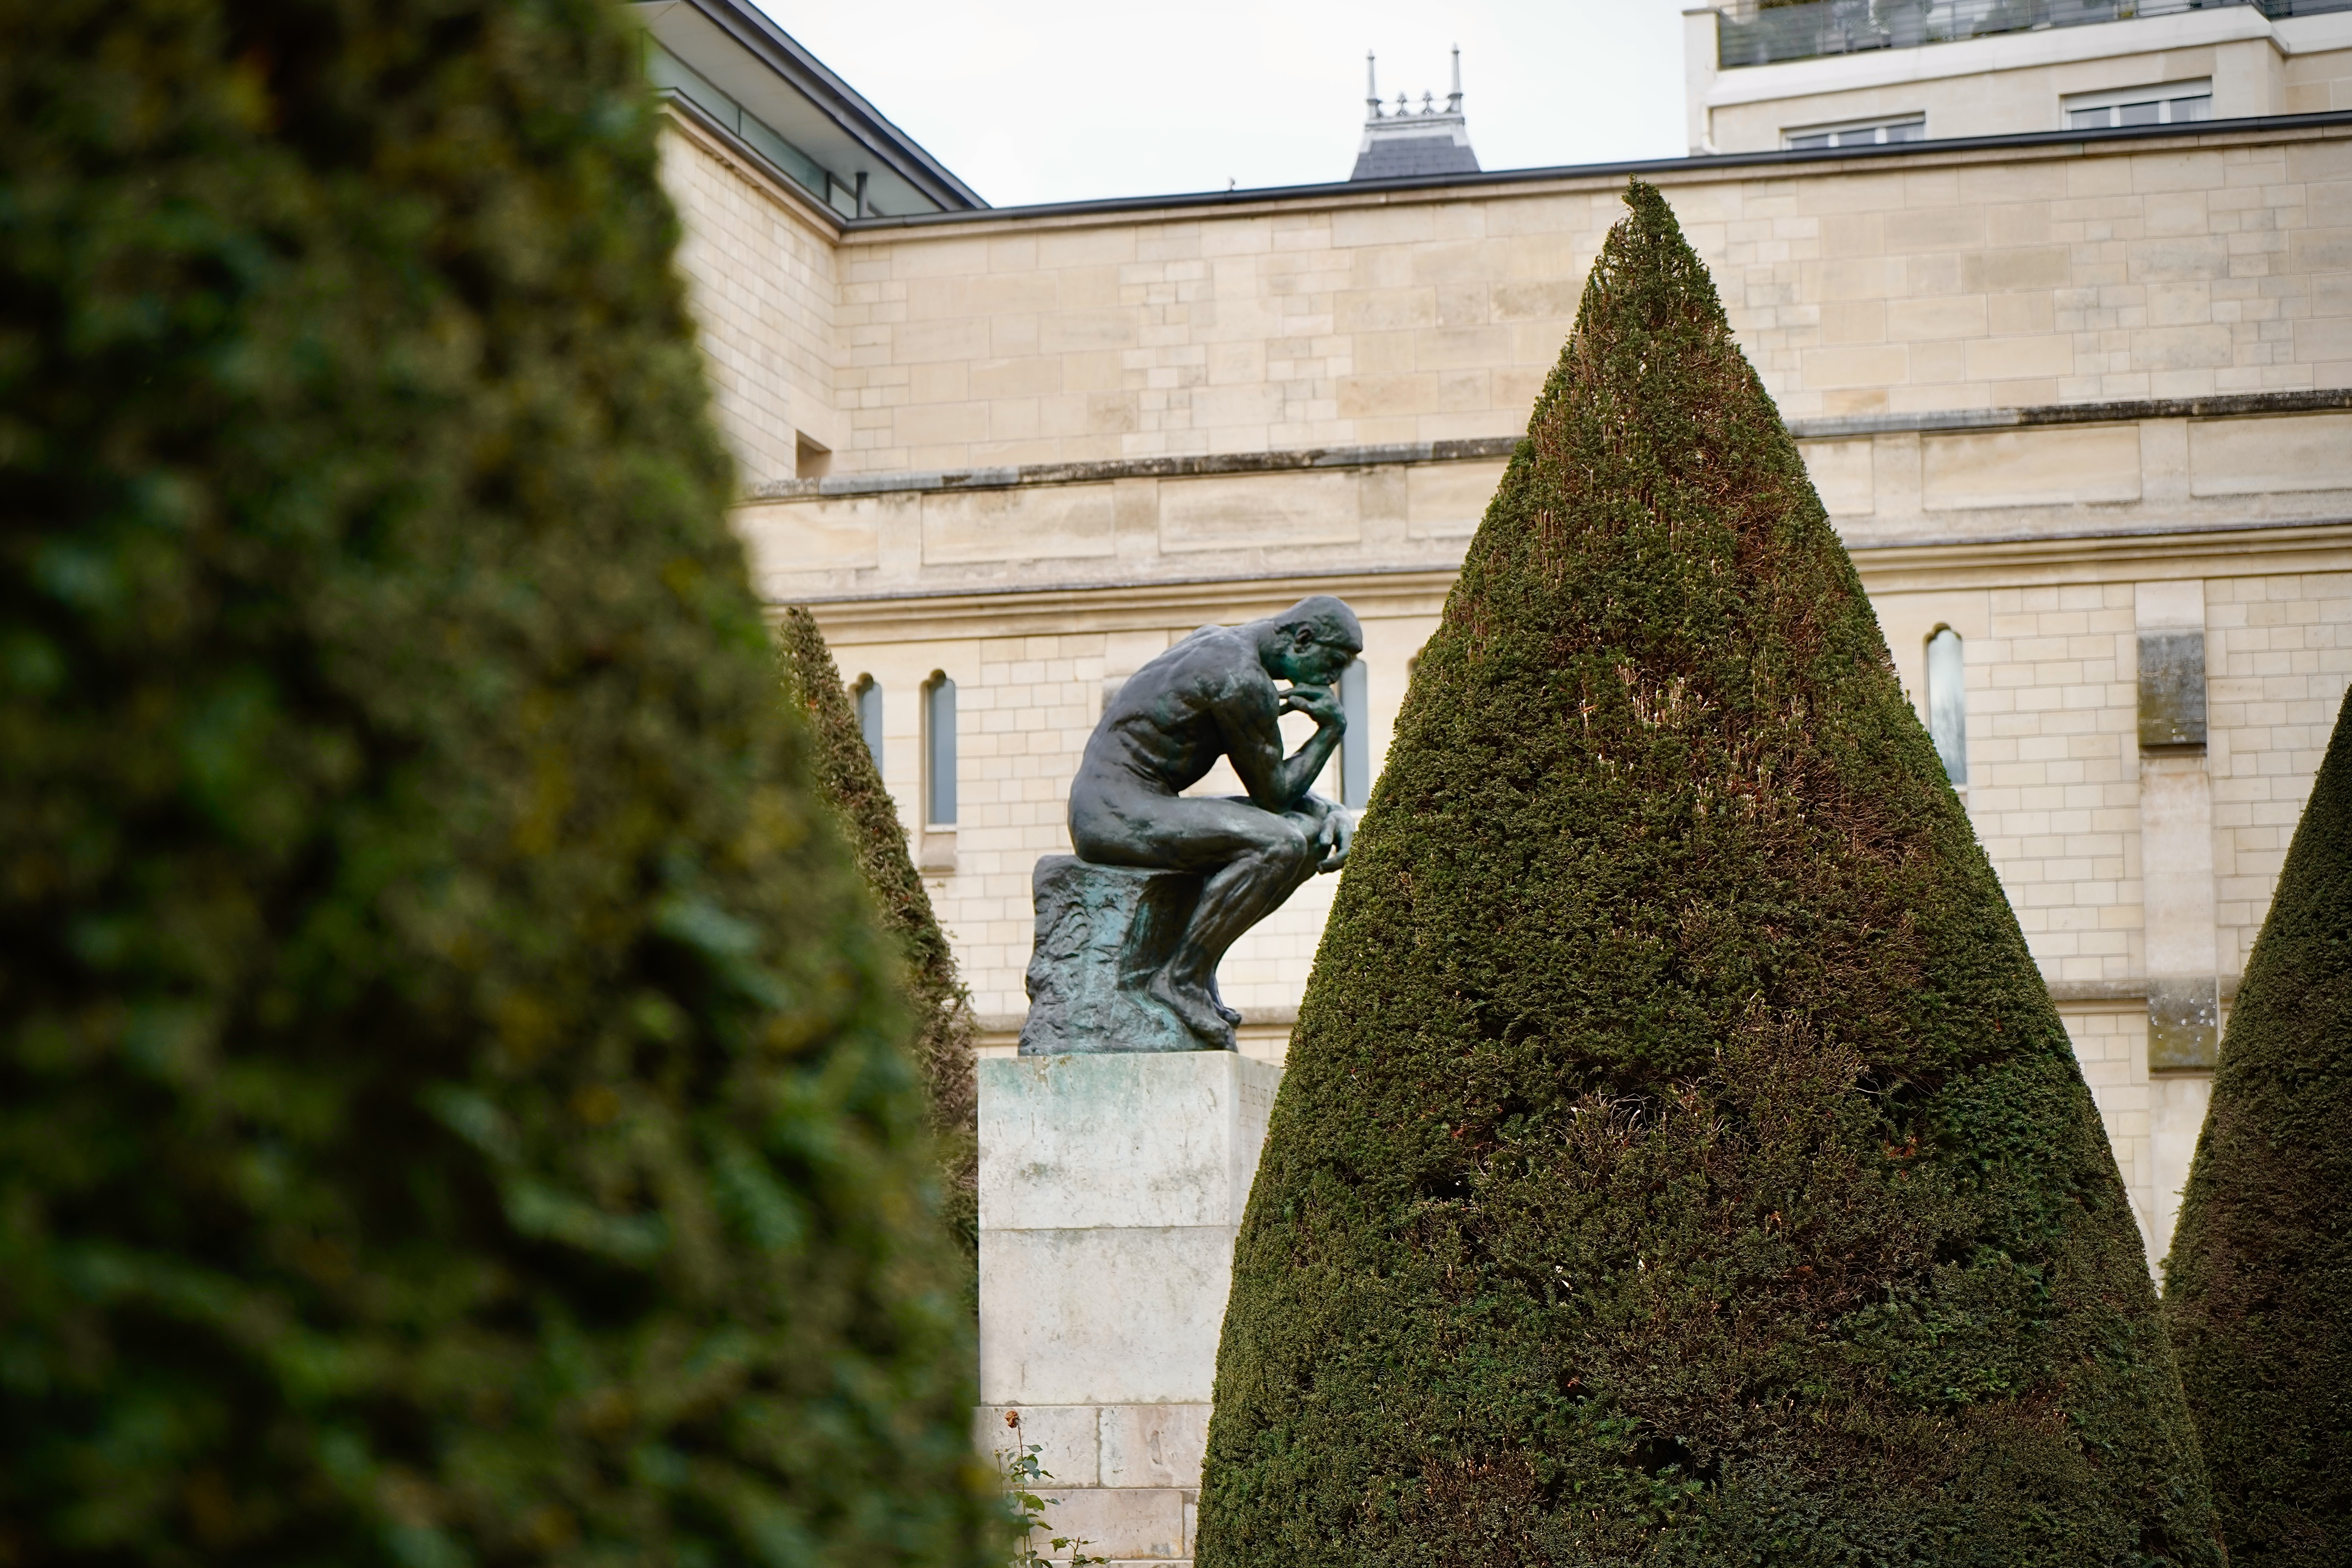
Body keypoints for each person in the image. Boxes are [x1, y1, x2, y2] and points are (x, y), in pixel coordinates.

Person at [1068, 594, 1362, 1045]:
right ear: (1304, 639)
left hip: (1130, 801)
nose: (1334, 678)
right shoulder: (1240, 677)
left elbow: (1275, 799)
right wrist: (1331, 730)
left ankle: (1198, 968)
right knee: (1279, 844)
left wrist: (1331, 810)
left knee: (1307, 835)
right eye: (1336, 661)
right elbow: (1275, 795)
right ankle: (1181, 979)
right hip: (1114, 810)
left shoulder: (1223, 644)